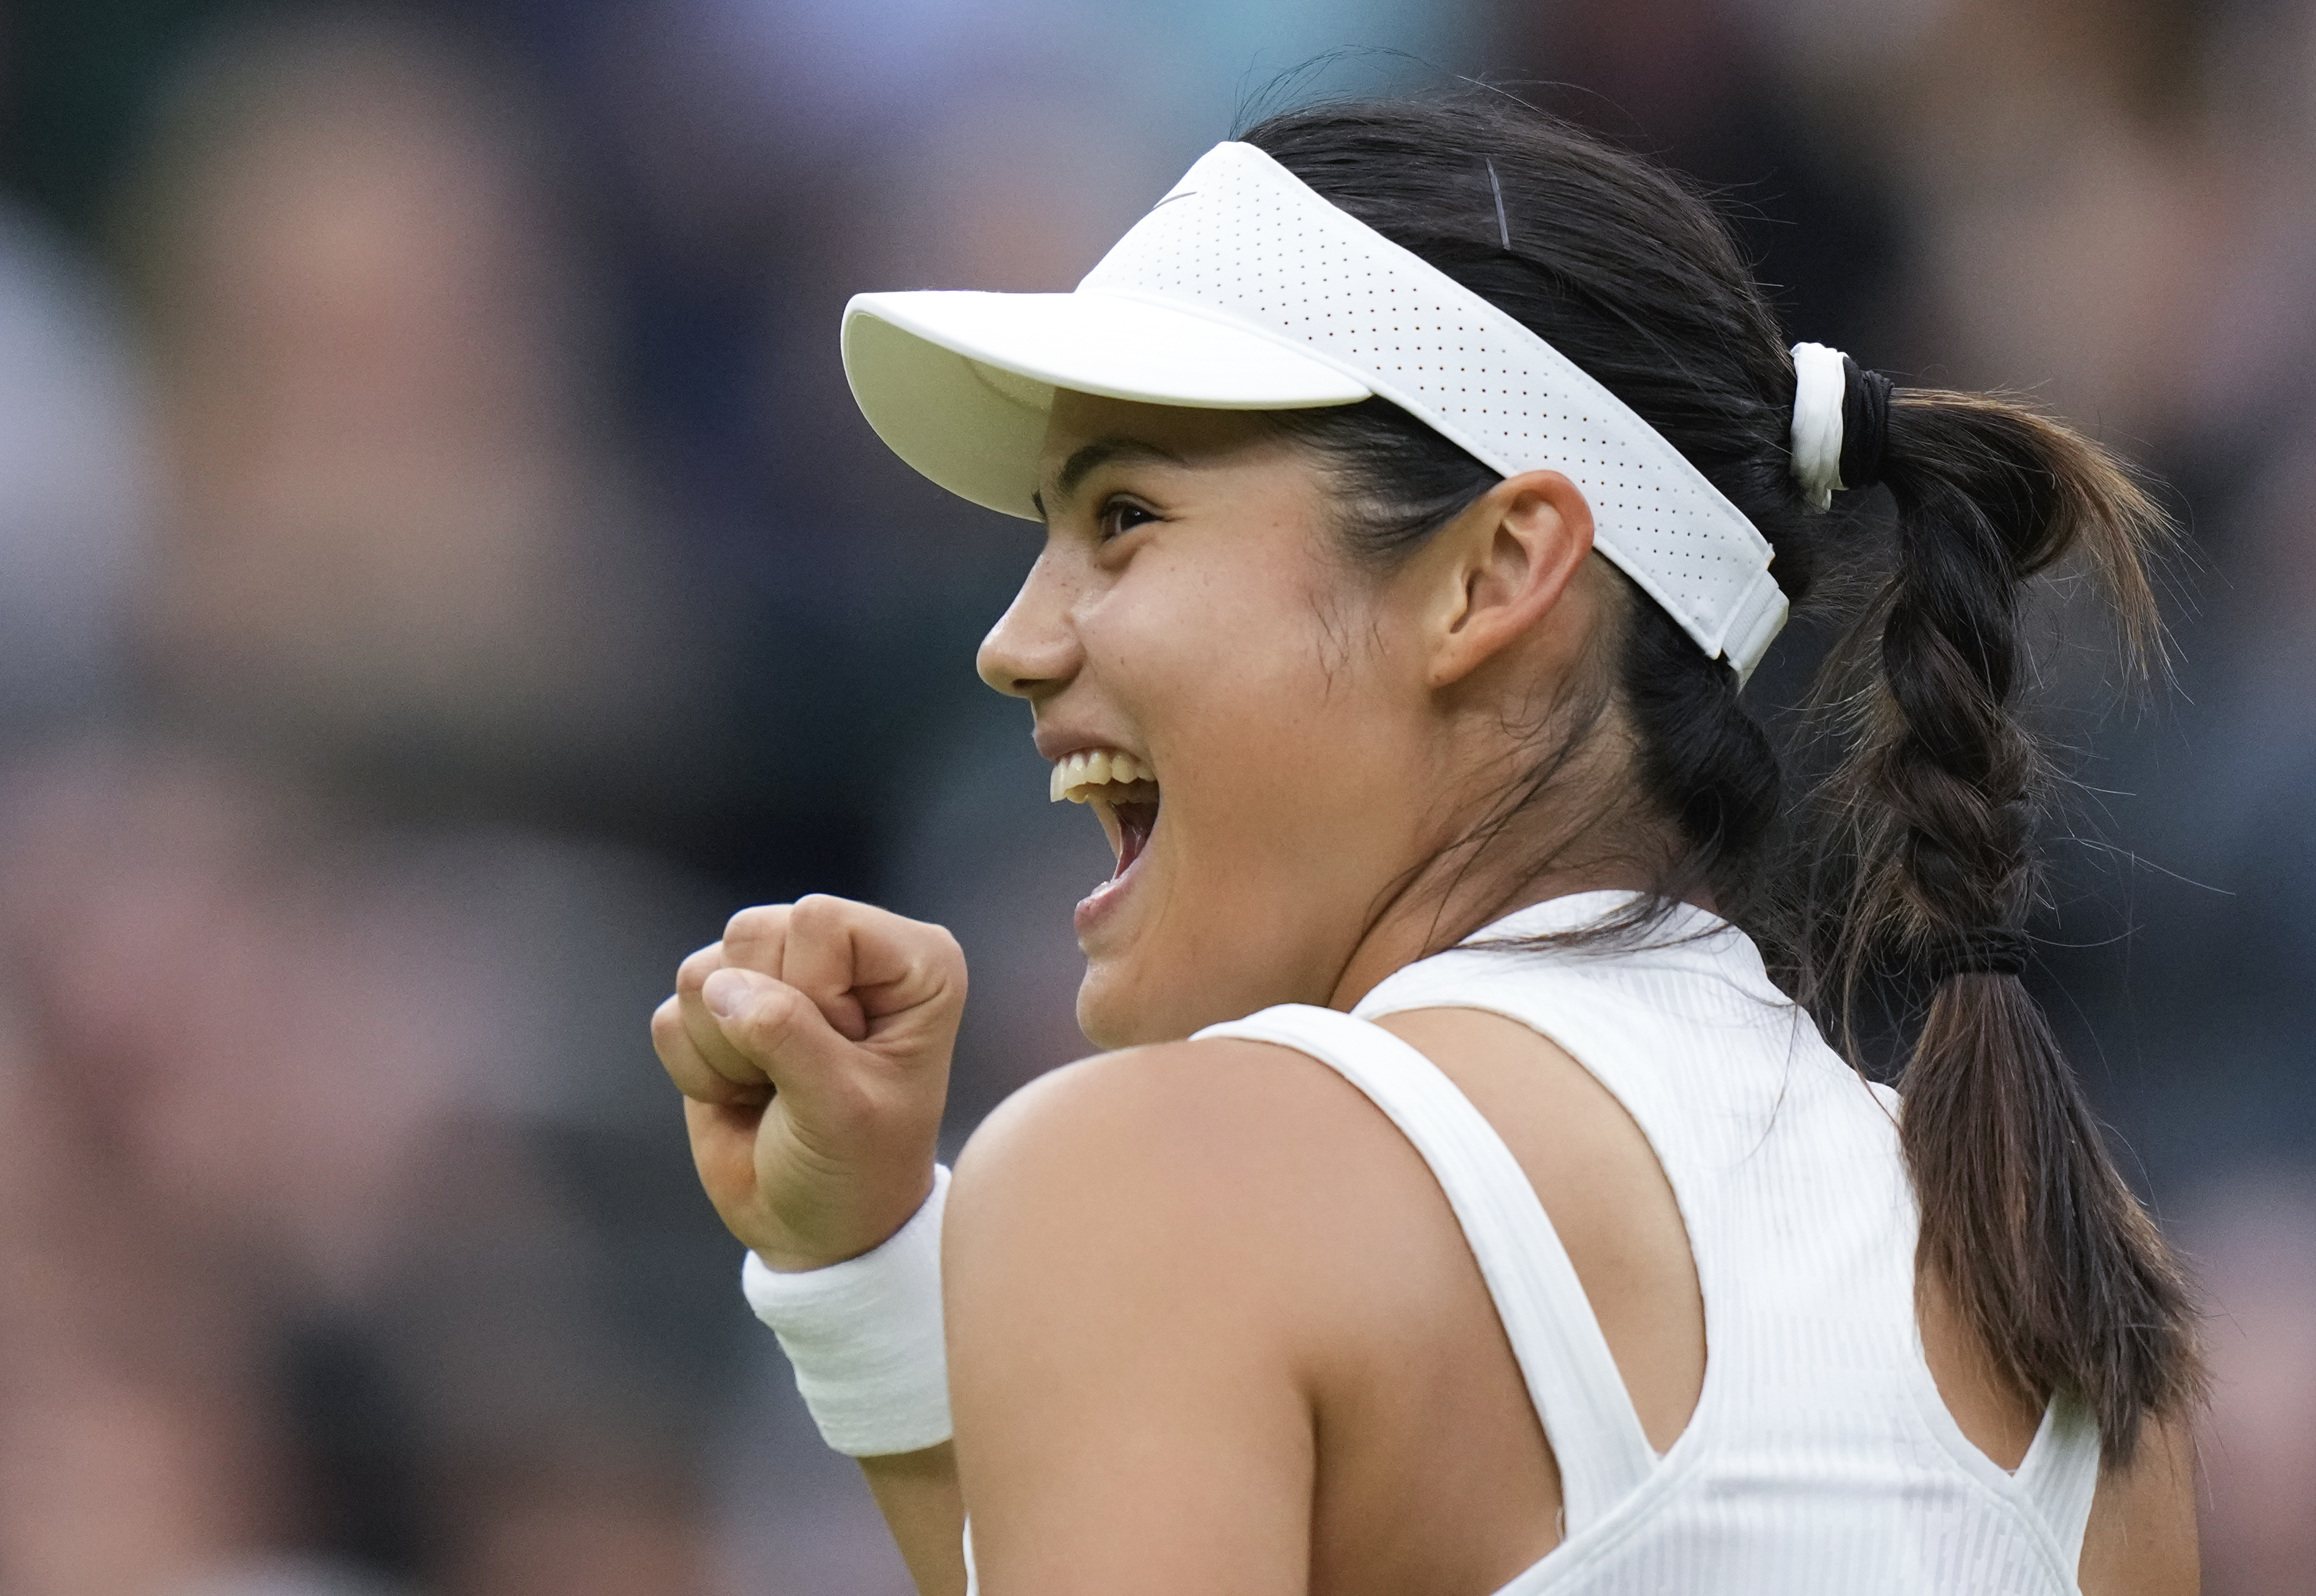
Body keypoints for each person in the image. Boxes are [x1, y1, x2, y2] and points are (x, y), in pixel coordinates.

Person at [650, 94, 2203, 1595]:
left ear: (1495, 574)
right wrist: (868, 1271)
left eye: (1123, 515)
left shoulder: (1147, 1170)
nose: (1014, 642)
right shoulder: (2052, 1261)